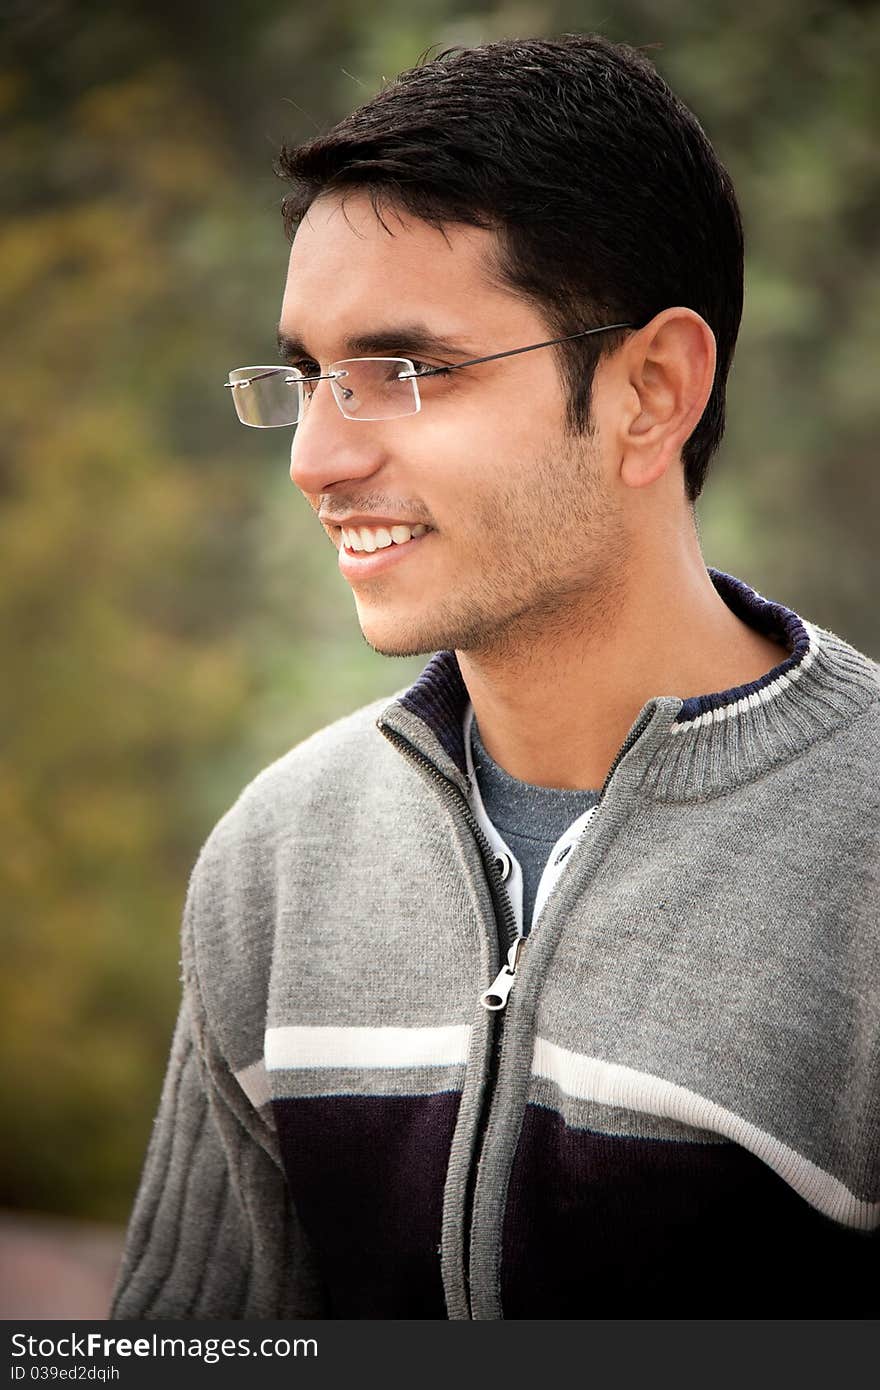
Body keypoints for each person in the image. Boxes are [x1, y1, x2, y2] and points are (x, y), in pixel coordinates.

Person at [111, 34, 878, 1320]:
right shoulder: (279, 861)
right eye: (308, 377)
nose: (315, 458)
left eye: (403, 371)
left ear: (650, 390)